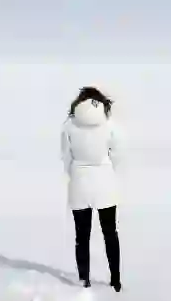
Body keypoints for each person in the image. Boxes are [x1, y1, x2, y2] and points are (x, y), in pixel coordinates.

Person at [60, 86, 122, 292]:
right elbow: (118, 154)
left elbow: (65, 157)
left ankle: (84, 280)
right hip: (105, 183)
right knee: (110, 233)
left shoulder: (69, 126)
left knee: (82, 236)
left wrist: (76, 172)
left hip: (80, 182)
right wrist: (108, 170)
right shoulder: (109, 124)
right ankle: (115, 281)